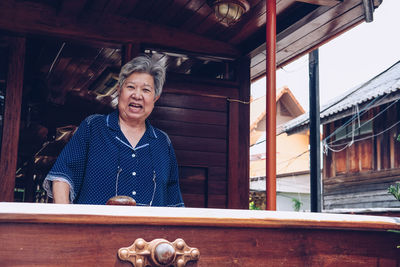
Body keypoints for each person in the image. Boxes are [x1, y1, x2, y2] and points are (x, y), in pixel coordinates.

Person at [43, 55, 184, 207]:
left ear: (155, 98)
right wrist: (66, 223)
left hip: (149, 231)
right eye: (130, 87)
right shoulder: (94, 127)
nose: (137, 95)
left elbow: (174, 201)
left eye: (146, 90)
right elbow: (62, 177)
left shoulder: (162, 142)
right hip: (95, 230)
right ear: (119, 90)